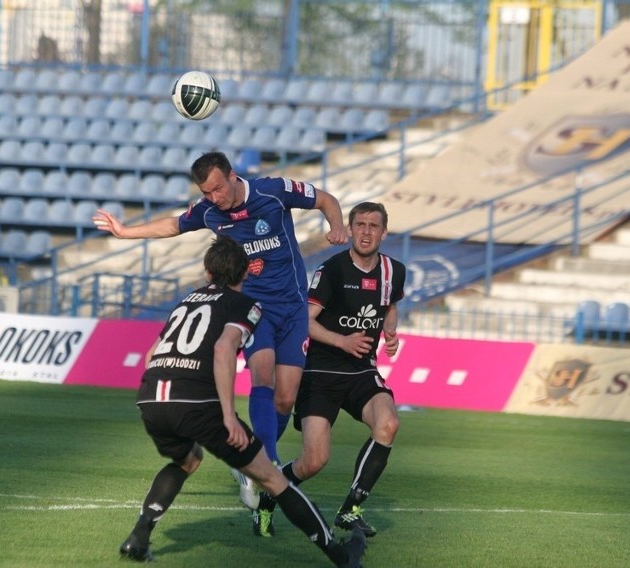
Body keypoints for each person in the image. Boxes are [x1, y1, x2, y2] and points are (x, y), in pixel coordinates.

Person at [93, 151, 348, 507]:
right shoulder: (209, 211)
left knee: (287, 397)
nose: (213, 198)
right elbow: (173, 224)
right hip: (253, 310)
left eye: (216, 189)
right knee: (262, 376)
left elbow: (325, 199)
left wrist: (336, 226)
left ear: (231, 175)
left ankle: (255, 459)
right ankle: (265, 464)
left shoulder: (273, 191)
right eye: (206, 193)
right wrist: (125, 232)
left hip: (293, 307)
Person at [119, 236, 365, 567]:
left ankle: (138, 537)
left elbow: (151, 355)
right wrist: (227, 417)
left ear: (207, 271)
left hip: (151, 397)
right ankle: (341, 556)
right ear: (246, 273)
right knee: (274, 480)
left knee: (187, 460)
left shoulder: (185, 301)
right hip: (197, 403)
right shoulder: (245, 305)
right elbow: (223, 350)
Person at [254, 202, 406, 539]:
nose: (366, 232)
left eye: (373, 226)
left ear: (384, 232)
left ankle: (350, 510)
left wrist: (391, 334)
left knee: (389, 423)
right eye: (360, 225)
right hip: (320, 373)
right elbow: (304, 323)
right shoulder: (332, 270)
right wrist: (341, 341)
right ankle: (269, 494)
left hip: (362, 371)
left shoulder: (394, 270)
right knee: (314, 461)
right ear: (350, 230)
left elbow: (390, 305)